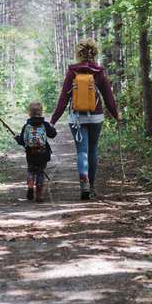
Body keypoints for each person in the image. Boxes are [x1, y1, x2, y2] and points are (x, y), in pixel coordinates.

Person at [50, 39, 120, 200]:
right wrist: (116, 115)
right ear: (94, 53)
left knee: (82, 150)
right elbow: (108, 97)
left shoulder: (72, 72)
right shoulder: (99, 71)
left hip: (76, 118)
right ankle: (92, 186)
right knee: (93, 149)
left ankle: (84, 183)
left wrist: (53, 120)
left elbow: (63, 99)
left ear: (79, 54)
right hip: (96, 116)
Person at [15, 101, 57, 203]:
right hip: (43, 154)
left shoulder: (26, 126)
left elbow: (22, 141)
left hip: (31, 154)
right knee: (40, 173)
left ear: (29, 113)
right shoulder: (44, 124)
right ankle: (39, 196)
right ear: (41, 112)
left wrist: (17, 138)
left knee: (31, 171)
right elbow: (53, 134)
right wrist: (52, 128)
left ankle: (30, 186)